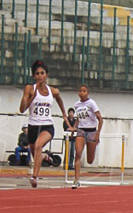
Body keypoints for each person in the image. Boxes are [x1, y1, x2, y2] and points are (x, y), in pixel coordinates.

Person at [19, 60, 69, 188]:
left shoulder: (53, 91)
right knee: (37, 154)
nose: (40, 76)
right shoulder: (30, 89)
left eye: (42, 73)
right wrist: (32, 97)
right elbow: (22, 109)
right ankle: (46, 157)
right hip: (32, 127)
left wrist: (64, 114)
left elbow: (59, 99)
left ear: (46, 75)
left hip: (47, 126)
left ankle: (34, 177)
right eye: (37, 74)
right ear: (34, 76)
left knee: (38, 145)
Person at [70, 84, 103, 189]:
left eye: (84, 91)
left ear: (87, 92)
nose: (81, 93)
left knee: (90, 160)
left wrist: (98, 133)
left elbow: (100, 119)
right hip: (81, 130)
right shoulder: (76, 105)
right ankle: (76, 180)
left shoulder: (91, 103)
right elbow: (79, 119)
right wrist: (74, 127)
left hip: (92, 131)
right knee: (78, 153)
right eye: (80, 91)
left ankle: (93, 149)